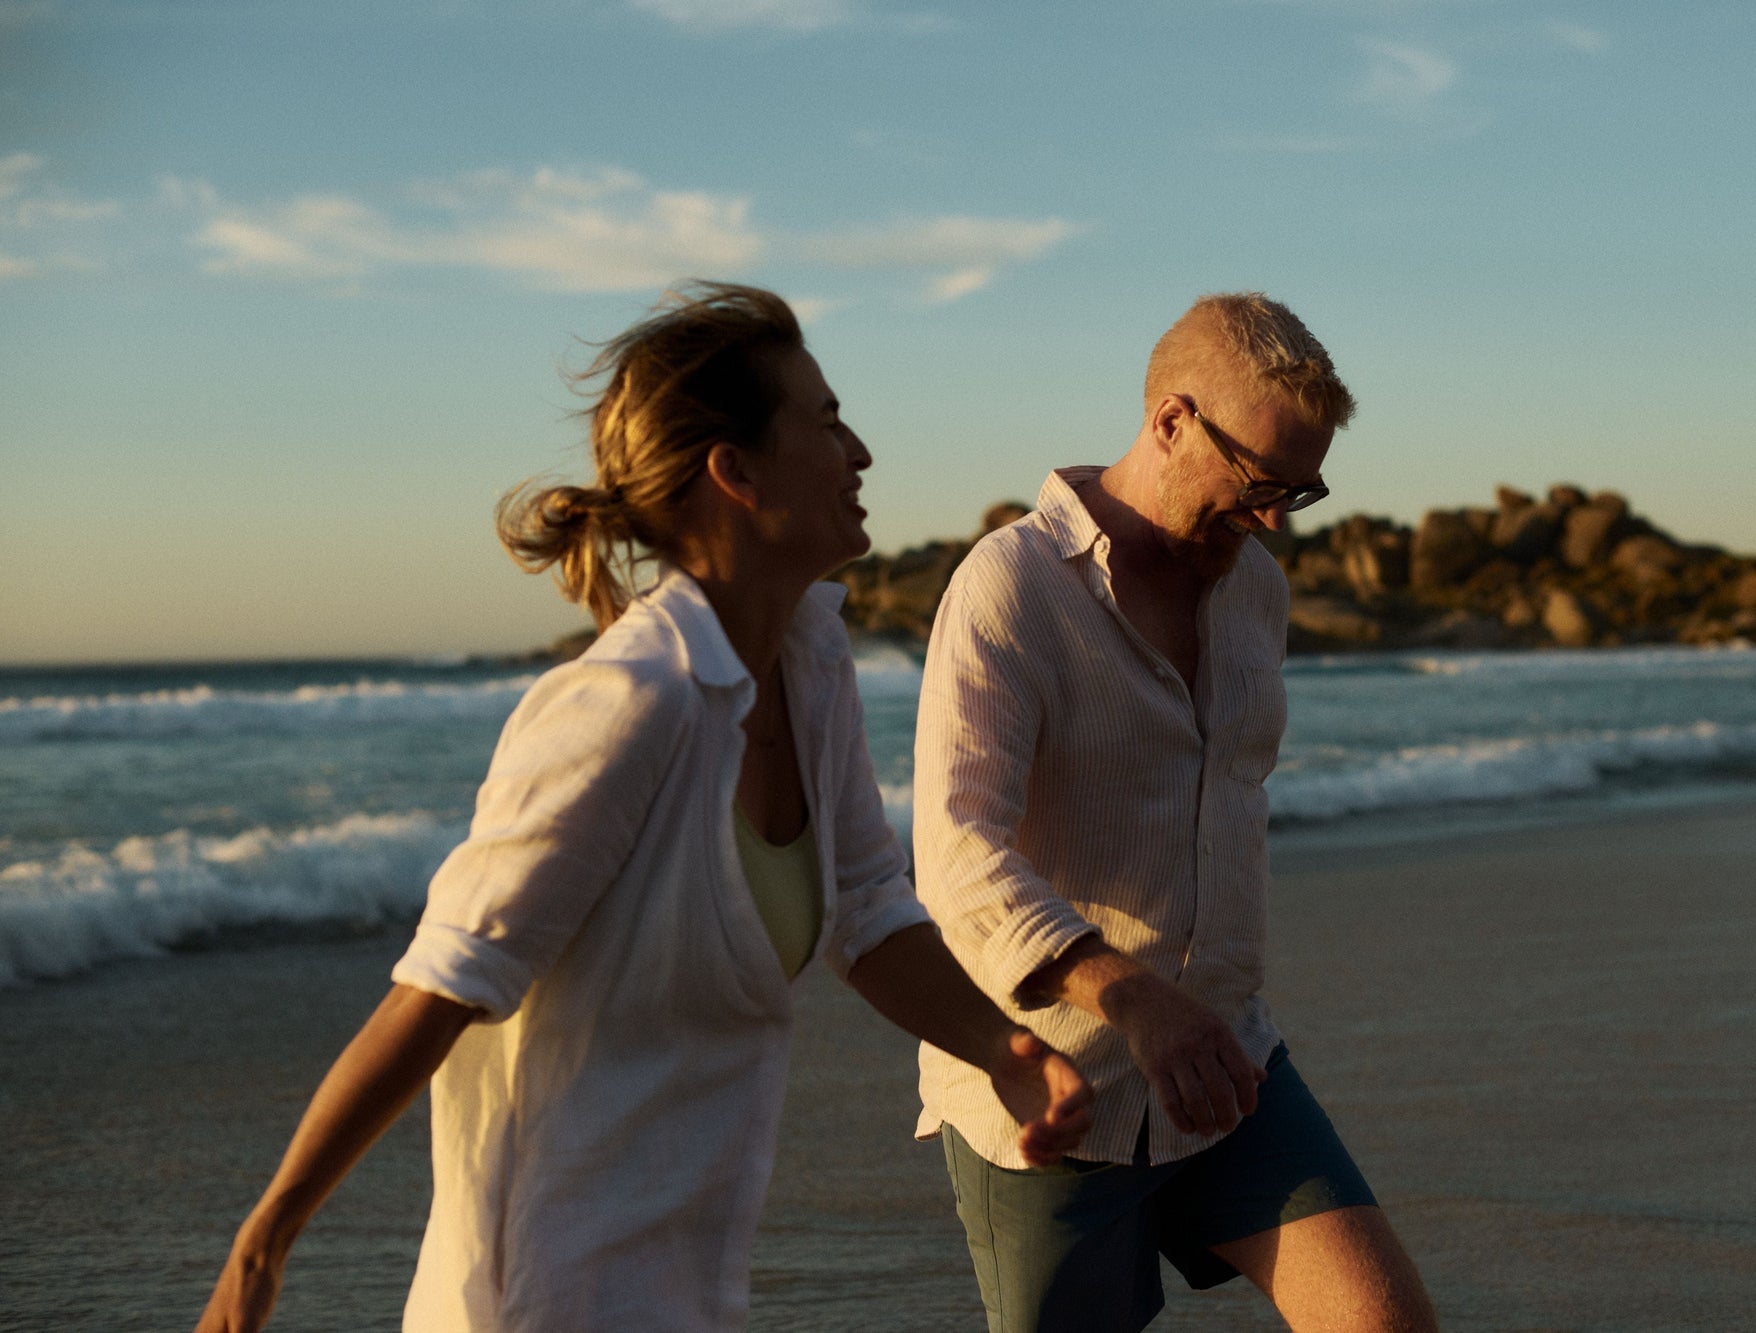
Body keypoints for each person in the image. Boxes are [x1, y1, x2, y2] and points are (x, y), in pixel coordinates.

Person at [194, 283, 1091, 1333]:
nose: (861, 453)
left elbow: (863, 906)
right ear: (734, 470)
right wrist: (262, 1247)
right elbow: (438, 986)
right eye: (826, 419)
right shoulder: (628, 704)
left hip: (687, 1281)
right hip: (537, 1292)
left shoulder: (807, 656)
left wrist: (1003, 1045)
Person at [911, 293, 1435, 1331]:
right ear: (1169, 423)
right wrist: (1134, 999)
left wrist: (1192, 1009)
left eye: (1304, 489)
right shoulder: (1008, 587)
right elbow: (955, 849)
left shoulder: (1255, 590)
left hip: (1229, 1067)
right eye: (1260, 483)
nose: (1277, 518)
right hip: (1057, 1092)